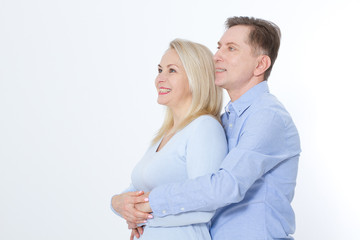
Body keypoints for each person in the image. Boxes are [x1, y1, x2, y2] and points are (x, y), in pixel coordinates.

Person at [112, 16, 301, 240]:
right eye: (219, 47)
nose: (217, 56)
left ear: (260, 64)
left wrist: (147, 206)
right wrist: (121, 204)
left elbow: (224, 187)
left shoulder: (267, 117)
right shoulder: (226, 119)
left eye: (231, 49)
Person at [111, 38, 228, 240]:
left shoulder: (204, 128)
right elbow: (135, 191)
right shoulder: (165, 135)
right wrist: (116, 203)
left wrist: (141, 215)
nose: (160, 79)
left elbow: (205, 205)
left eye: (171, 71)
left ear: (196, 78)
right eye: (159, 70)